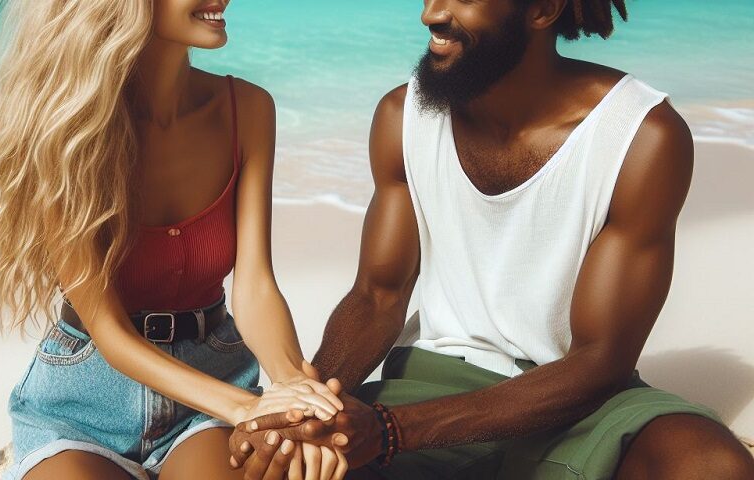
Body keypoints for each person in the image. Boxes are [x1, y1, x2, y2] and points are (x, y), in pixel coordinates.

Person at [227, 0, 754, 478]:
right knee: (278, 465)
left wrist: (391, 431)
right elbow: (378, 295)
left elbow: (601, 358)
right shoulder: (402, 117)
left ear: (543, 10)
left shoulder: (640, 137)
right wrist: (304, 411)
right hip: (431, 381)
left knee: (711, 464)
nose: (431, 14)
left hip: (577, 400)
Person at [0, 0, 348, 478]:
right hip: (81, 403)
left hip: (211, 378)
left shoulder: (247, 110)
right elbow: (110, 333)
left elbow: (254, 285)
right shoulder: (69, 129)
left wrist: (292, 389)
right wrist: (244, 408)